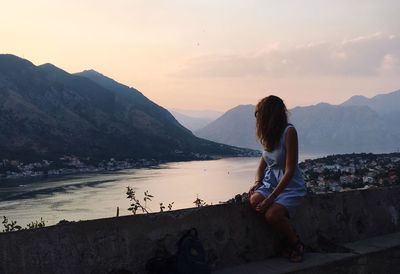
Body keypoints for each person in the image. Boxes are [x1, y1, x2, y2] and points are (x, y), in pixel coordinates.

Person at [249, 95, 306, 262]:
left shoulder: (289, 132)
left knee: (271, 215)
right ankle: (282, 236)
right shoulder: (269, 135)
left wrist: (271, 198)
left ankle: (296, 243)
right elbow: (262, 165)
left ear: (269, 114)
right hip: (270, 182)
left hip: (290, 184)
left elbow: (289, 170)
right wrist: (257, 183)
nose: (257, 117)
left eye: (259, 113)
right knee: (254, 201)